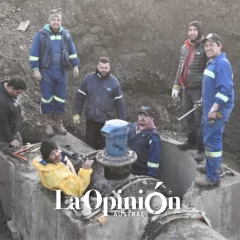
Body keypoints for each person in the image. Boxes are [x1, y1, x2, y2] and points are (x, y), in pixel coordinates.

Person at [29, 8, 80, 136]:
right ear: (49, 21)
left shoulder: (66, 34)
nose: (56, 22)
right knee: (46, 99)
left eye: (58, 20)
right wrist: (35, 69)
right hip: (46, 72)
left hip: (62, 72)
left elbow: (72, 52)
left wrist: (75, 65)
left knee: (61, 99)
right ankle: (48, 124)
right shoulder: (41, 35)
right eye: (54, 20)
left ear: (61, 22)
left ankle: (58, 123)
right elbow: (34, 54)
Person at [195, 33, 234, 187]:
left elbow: (225, 91)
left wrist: (214, 109)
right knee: (207, 137)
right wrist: (203, 101)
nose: (208, 48)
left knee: (212, 142)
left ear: (219, 46)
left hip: (217, 111)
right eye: (206, 46)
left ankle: (213, 178)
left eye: (211, 45)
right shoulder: (212, 62)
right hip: (210, 108)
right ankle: (210, 166)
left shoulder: (222, 64)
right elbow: (211, 88)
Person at [172, 21, 208, 162]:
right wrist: (176, 86)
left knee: (200, 119)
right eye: (190, 30)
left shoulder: (205, 47)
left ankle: (201, 148)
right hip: (186, 88)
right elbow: (180, 67)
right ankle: (191, 141)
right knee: (189, 117)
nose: (192, 32)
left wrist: (206, 92)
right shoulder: (185, 47)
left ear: (199, 31)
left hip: (198, 89)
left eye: (194, 30)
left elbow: (209, 71)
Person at [73, 57, 126, 150]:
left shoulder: (114, 83)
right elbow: (80, 97)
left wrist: (122, 123)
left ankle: (102, 165)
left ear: (110, 68)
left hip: (107, 123)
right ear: (97, 66)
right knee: (89, 147)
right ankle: (91, 164)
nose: (104, 70)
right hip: (91, 121)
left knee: (104, 149)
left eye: (106, 68)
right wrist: (76, 112)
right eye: (102, 67)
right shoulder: (88, 79)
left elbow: (120, 105)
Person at [128, 106, 161, 178]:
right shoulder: (132, 128)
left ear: (151, 119)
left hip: (142, 173)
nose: (142, 119)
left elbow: (154, 162)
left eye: (145, 116)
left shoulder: (153, 137)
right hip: (128, 170)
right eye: (140, 115)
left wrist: (149, 178)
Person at [0, 77, 27, 149]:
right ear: (11, 88)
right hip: (3, 135)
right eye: (18, 92)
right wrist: (10, 140)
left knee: (21, 149)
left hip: (14, 128)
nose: (19, 95)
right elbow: (2, 122)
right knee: (6, 155)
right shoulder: (1, 101)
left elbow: (15, 101)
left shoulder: (8, 84)